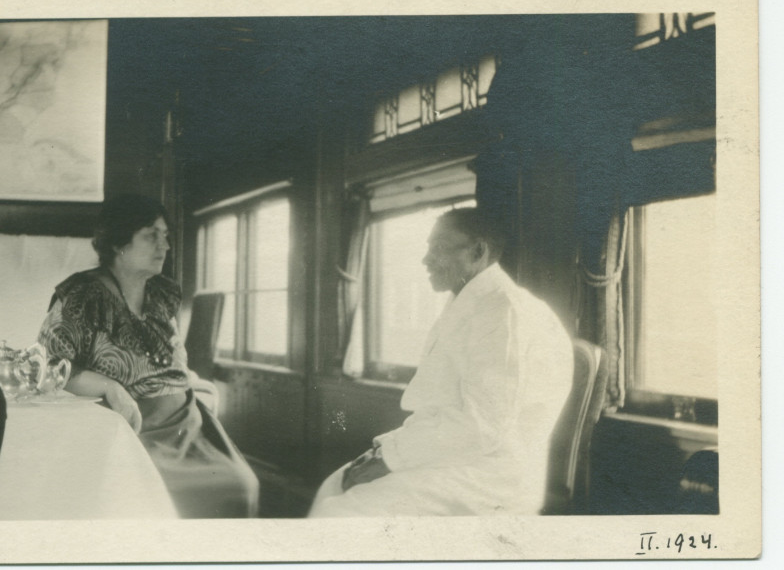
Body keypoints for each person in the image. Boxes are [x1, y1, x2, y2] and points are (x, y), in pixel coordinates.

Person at [308, 206, 573, 517]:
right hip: (458, 454)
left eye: (440, 248)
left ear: (478, 251)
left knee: (343, 512)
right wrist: (385, 451)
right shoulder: (472, 302)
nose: (426, 259)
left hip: (491, 473)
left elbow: (482, 428)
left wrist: (391, 458)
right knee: (335, 485)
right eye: (428, 248)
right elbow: (444, 413)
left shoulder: (503, 312)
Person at [37, 194, 259, 519]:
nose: (164, 246)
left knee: (241, 485)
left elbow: (174, 361)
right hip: (132, 430)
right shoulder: (81, 296)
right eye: (150, 235)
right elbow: (48, 369)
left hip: (188, 424)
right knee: (151, 497)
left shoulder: (162, 294)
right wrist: (110, 387)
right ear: (117, 242)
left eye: (165, 236)